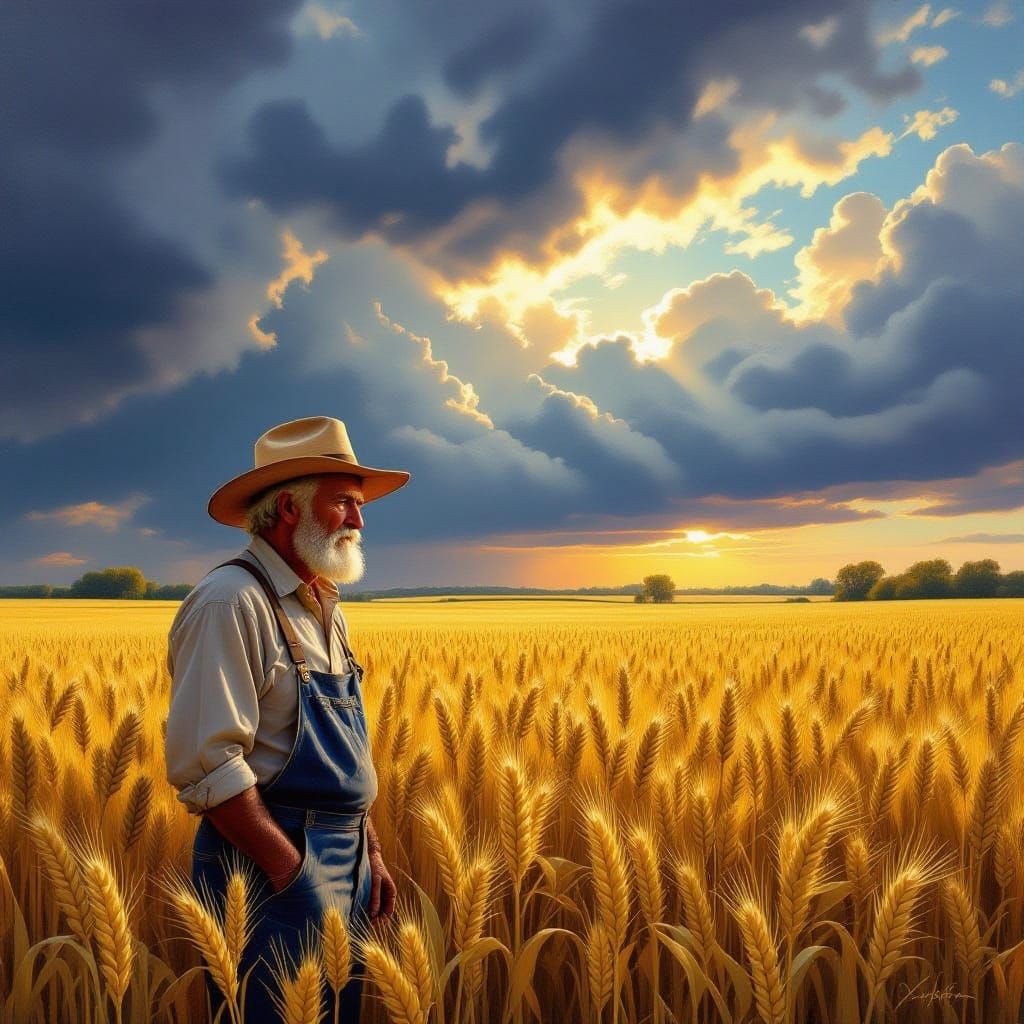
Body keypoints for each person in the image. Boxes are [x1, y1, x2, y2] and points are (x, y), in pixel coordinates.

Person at [164, 415, 410, 1022]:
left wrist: (367, 849)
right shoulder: (231, 601)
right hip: (266, 864)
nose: (358, 520)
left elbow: (343, 757)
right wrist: (290, 873)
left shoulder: (323, 603)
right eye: (344, 504)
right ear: (289, 510)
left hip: (344, 859)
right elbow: (209, 765)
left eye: (358, 505)